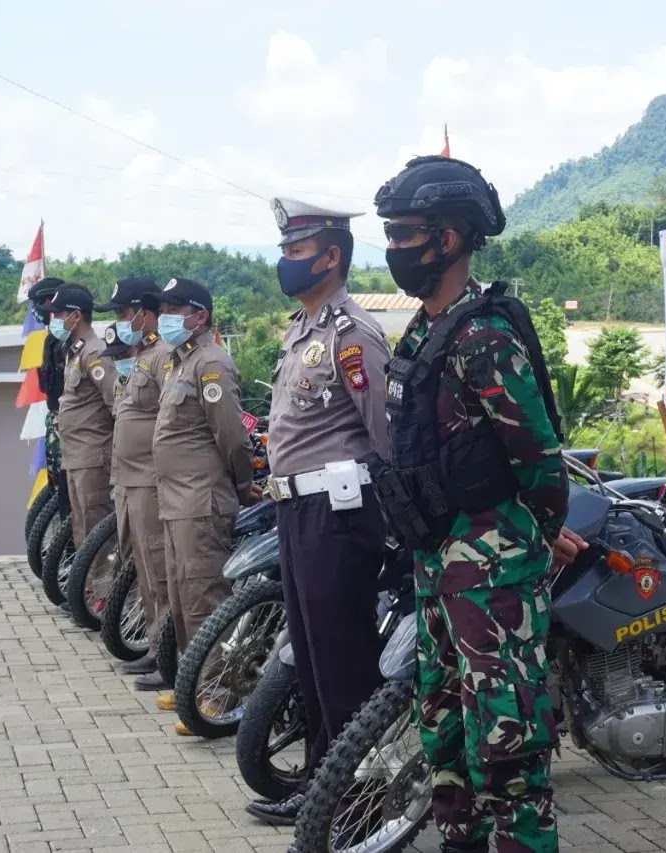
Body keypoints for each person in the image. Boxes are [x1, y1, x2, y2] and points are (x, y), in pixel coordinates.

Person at [370, 155, 570, 853]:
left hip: (492, 572)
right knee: (447, 731)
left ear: (449, 238)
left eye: (405, 234)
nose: (394, 249)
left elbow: (540, 460)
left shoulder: (485, 335)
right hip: (437, 560)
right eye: (390, 234)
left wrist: (526, 538)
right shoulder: (426, 330)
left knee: (506, 746)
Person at [243, 198, 391, 826]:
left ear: (331, 257)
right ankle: (322, 782)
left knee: (343, 660)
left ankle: (358, 801)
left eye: (296, 251)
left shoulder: (353, 335)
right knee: (312, 658)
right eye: (284, 250)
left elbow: (384, 436)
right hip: (298, 513)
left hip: (339, 513)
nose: (286, 262)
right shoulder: (302, 330)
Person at [144, 277, 261, 735]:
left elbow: (231, 436)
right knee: (180, 597)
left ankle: (217, 694)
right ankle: (193, 683)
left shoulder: (212, 363)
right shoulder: (181, 361)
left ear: (200, 316)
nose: (167, 316)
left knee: (205, 599)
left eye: (176, 308)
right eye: (165, 308)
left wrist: (245, 482)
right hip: (175, 500)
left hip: (200, 500)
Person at [96, 276, 175, 690]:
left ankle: (169, 654)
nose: (124, 320)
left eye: (127, 312)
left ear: (146, 312)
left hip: (150, 480)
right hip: (128, 480)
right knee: (142, 569)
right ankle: (153, 643)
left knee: (160, 570)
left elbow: (170, 420)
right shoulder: (140, 355)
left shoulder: (163, 356)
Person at [44, 283, 117, 568]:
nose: (55, 320)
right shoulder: (74, 351)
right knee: (82, 528)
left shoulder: (95, 352)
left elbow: (116, 404)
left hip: (93, 456)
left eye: (59, 313)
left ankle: (104, 595)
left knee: (97, 528)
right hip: (75, 456)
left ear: (75, 316)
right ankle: (89, 592)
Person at [27, 277, 70, 516]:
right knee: (58, 488)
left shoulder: (72, 344)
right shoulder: (51, 340)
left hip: (72, 429)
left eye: (39, 304)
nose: (37, 311)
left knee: (71, 496)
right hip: (55, 422)